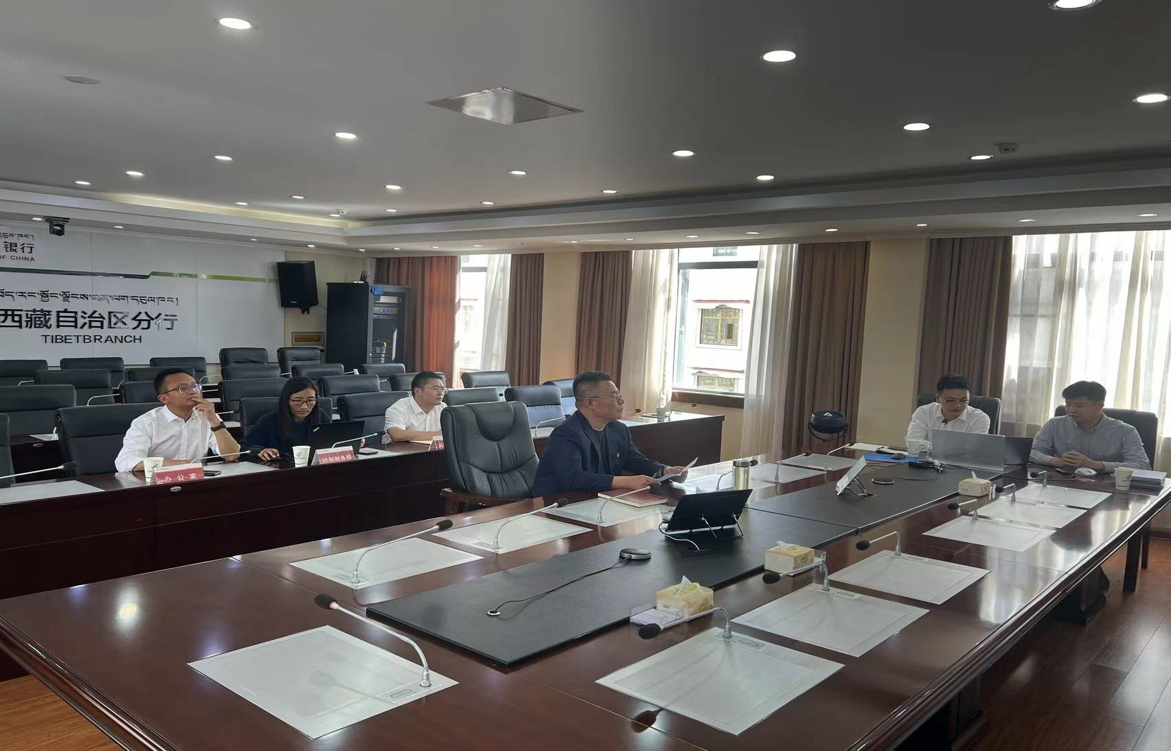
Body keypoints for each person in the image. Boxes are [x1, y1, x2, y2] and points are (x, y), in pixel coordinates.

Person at [530, 371, 689, 497]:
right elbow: (573, 478)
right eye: (614, 397)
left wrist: (665, 471)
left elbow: (636, 461)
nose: (621, 401)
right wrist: (626, 482)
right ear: (590, 403)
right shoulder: (566, 434)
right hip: (557, 504)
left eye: (619, 395)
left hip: (597, 500)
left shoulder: (618, 429)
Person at [114, 368, 240, 472]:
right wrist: (176, 464)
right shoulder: (146, 422)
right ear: (164, 399)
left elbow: (232, 455)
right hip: (157, 485)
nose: (193, 391)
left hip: (197, 482)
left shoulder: (208, 416)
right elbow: (125, 461)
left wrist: (215, 422)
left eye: (194, 386)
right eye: (183, 388)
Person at [1030, 380, 1151, 472]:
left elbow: (1142, 465)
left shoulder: (1125, 431)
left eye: (1079, 406)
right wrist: (1056, 461)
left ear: (1099, 405)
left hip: (1106, 487)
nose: (1071, 410)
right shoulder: (1054, 424)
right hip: (1062, 483)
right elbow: (1032, 452)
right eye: (1068, 404)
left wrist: (1095, 465)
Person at [242, 377, 331, 461]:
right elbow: (244, 446)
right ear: (286, 400)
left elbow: (334, 442)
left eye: (310, 400)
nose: (304, 406)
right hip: (280, 469)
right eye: (297, 400)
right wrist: (260, 451)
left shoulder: (321, 416)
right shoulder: (269, 420)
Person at [905, 374, 991, 445]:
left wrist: (934, 448)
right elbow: (912, 441)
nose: (958, 405)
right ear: (938, 398)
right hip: (928, 460)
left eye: (963, 400)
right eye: (951, 400)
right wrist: (940, 449)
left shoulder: (979, 418)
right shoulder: (924, 412)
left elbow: (976, 448)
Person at [385, 371, 446, 442]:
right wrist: (440, 434)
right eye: (435, 388)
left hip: (431, 448)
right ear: (417, 391)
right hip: (399, 448)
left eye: (442, 389)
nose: (441, 393)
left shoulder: (442, 407)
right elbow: (397, 435)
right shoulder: (398, 408)